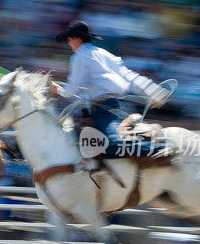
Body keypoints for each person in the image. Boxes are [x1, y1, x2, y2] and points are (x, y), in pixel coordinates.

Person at [51, 20, 172, 160]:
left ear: (76, 38)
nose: (69, 43)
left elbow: (71, 90)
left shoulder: (79, 57)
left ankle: (160, 148)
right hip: (116, 106)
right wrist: (154, 91)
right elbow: (129, 76)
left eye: (69, 39)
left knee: (111, 143)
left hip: (104, 111)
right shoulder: (103, 53)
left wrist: (58, 90)